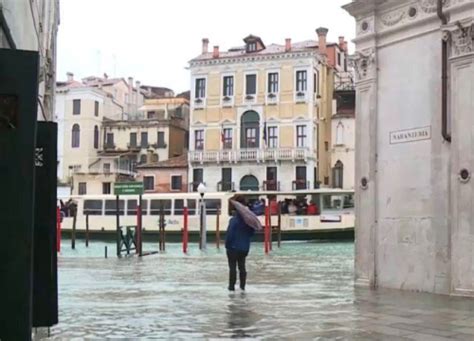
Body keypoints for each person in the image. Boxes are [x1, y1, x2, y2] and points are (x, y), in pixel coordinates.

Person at [225, 195, 255, 291]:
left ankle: (231, 287)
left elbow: (230, 234)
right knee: (242, 267)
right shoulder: (249, 221)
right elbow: (251, 233)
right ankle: (242, 287)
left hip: (233, 247)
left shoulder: (234, 220)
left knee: (232, 267)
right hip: (244, 247)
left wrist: (227, 245)